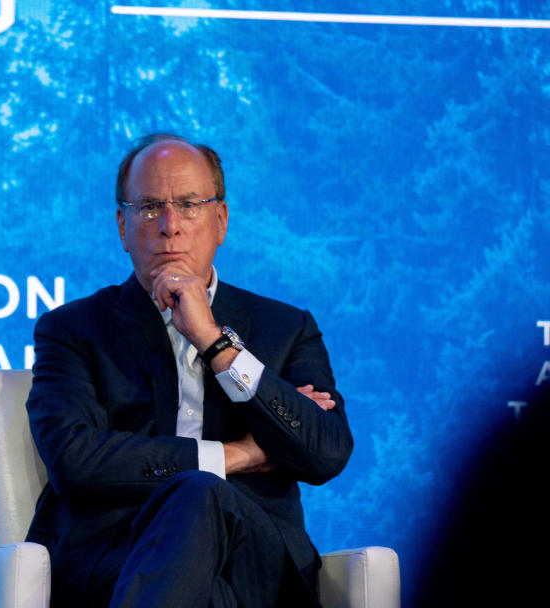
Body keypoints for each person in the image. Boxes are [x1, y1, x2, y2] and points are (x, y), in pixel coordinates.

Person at [25, 134, 353, 608]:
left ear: (220, 220)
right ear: (123, 226)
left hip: (252, 559)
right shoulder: (74, 330)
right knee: (200, 521)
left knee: (202, 502)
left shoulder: (285, 327)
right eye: (150, 207)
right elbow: (75, 460)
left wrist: (214, 342)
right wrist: (235, 455)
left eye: (189, 204)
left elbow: (326, 451)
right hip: (118, 556)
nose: (170, 226)